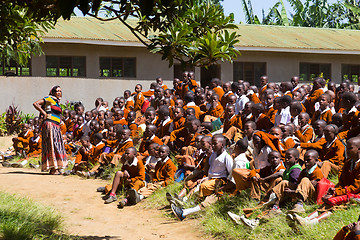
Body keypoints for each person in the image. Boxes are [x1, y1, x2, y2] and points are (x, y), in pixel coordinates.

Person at [33, 85, 67, 175]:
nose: (59, 93)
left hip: (56, 125)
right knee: (52, 145)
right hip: (50, 125)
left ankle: (57, 168)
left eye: (60, 91)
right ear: (53, 92)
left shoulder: (56, 102)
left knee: (57, 145)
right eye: (57, 91)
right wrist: (43, 113)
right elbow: (36, 103)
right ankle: (53, 168)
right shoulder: (49, 99)